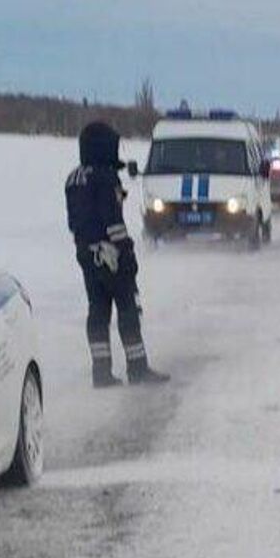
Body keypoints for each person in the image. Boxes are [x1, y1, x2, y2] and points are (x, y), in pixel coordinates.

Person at [65, 120, 168, 387]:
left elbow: (74, 222)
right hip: (110, 253)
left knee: (97, 310)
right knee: (127, 308)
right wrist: (126, 253)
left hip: (86, 253)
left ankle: (100, 371)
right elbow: (113, 221)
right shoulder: (105, 177)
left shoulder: (74, 178)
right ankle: (137, 368)